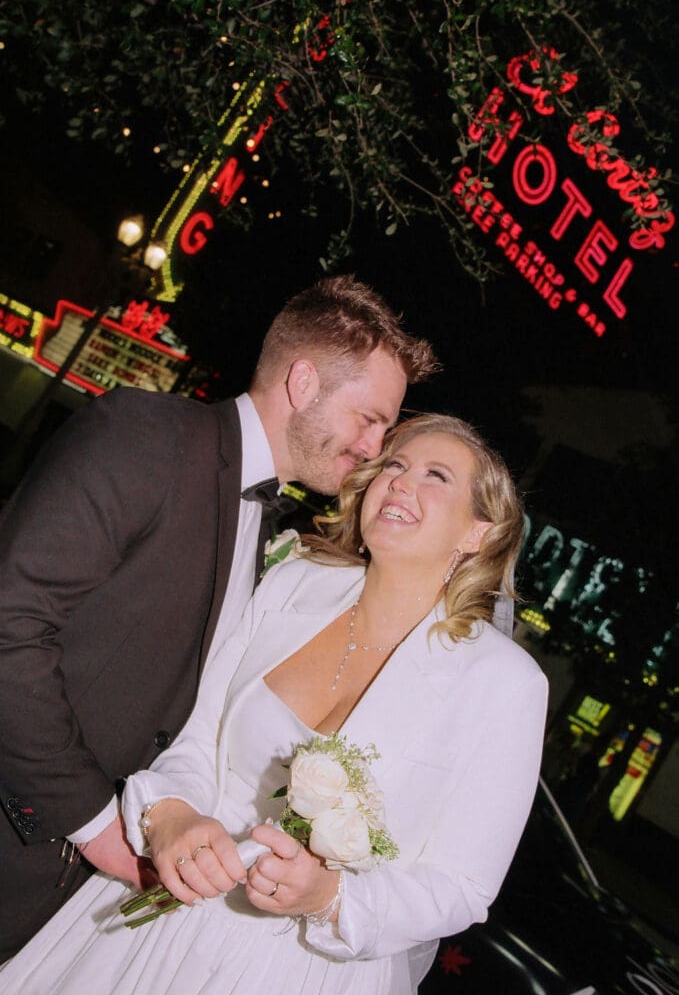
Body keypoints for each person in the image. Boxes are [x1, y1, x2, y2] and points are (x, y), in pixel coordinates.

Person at [0, 413, 548, 994]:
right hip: (164, 907)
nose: (400, 483)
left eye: (436, 475)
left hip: (300, 967)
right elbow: (198, 729)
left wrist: (330, 897)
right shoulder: (294, 584)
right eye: (394, 465)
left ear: (479, 533)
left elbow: (463, 885)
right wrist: (171, 814)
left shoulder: (505, 683)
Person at [0, 275, 438, 958]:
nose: (374, 448)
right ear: (302, 383)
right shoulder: (147, 434)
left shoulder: (268, 524)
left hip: (60, 888)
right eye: (370, 418)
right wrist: (89, 822)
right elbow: (9, 623)